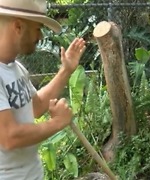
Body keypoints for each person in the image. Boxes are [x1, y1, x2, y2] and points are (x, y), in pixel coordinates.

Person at [0, 0, 87, 179]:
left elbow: (36, 107)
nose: (40, 37)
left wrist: (66, 70)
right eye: (38, 28)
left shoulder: (15, 68)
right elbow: (9, 137)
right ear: (18, 26)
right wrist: (56, 123)